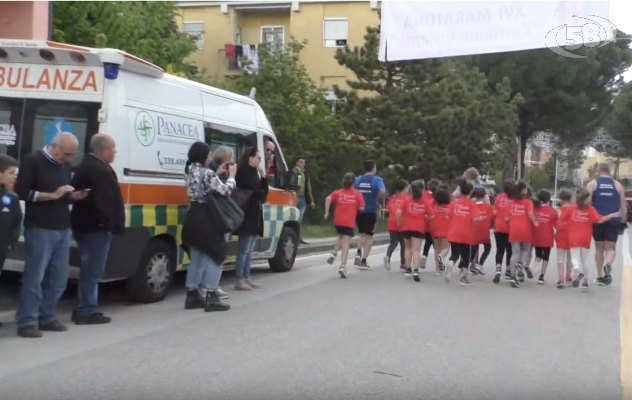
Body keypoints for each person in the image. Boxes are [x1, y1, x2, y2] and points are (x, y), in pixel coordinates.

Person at [14, 132, 89, 338]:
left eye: (73, 155)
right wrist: (52, 195)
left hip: (62, 227)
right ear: (54, 146)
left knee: (58, 277)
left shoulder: (64, 165)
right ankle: (27, 320)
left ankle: (47, 316)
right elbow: (22, 191)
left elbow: (62, 196)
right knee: (35, 276)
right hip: (40, 226)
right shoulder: (33, 160)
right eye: (67, 154)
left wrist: (73, 196)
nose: (69, 159)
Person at [69, 134, 125, 325]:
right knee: (92, 271)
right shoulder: (96, 169)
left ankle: (85, 308)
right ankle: (86, 310)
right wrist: (106, 224)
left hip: (88, 225)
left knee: (91, 269)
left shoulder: (90, 165)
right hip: (94, 228)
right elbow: (104, 202)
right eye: (113, 147)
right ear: (104, 150)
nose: (115, 151)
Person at [181, 141, 236, 312]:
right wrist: (232, 176)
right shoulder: (207, 173)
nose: (211, 157)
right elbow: (225, 191)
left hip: (193, 215)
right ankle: (212, 295)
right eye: (209, 155)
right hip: (208, 218)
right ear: (204, 156)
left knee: (196, 256)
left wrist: (216, 173)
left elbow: (203, 185)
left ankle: (192, 294)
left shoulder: (189, 171)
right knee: (215, 255)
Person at [561, 188, 620, 290]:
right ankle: (585, 283)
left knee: (575, 258)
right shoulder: (590, 209)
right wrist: (612, 215)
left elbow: (562, 218)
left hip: (574, 237)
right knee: (584, 260)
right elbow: (600, 219)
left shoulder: (571, 208)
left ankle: (578, 271)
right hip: (585, 238)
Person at [586, 163, 627, 286]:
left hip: (598, 220)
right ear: (609, 171)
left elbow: (587, 202)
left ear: (598, 171)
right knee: (611, 247)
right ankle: (608, 264)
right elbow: (623, 206)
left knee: (599, 248)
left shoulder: (592, 184)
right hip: (613, 220)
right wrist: (623, 221)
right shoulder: (617, 185)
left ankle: (599, 277)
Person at [234, 147, 269, 291]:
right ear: (250, 158)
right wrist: (259, 191)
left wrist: (264, 177)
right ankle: (239, 278)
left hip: (255, 212)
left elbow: (263, 194)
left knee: (250, 248)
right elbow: (255, 190)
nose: (260, 160)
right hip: (246, 212)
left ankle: (247, 276)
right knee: (244, 248)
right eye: (258, 157)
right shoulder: (242, 172)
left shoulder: (255, 173)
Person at [324, 173, 365, 279]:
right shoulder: (357, 194)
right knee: (346, 242)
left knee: (340, 236)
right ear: (354, 182)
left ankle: (334, 253)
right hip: (348, 220)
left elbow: (328, 199)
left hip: (338, 220)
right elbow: (361, 208)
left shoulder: (338, 192)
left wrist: (326, 212)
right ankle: (342, 266)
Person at [0, 154, 22, 328]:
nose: (14, 176)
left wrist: (10, 243)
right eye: (10, 172)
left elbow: (16, 222)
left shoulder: (11, 197)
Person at [396, 180, 434, 282]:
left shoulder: (406, 200)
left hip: (405, 226)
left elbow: (398, 212)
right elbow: (432, 215)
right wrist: (424, 217)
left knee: (407, 248)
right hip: (418, 228)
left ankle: (408, 269)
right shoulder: (425, 202)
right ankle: (416, 270)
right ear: (422, 190)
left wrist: (399, 222)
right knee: (416, 250)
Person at [446, 179, 480, 286]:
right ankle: (463, 278)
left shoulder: (454, 204)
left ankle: (450, 263)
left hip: (454, 232)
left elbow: (448, 217)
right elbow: (476, 219)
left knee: (455, 254)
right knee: (466, 256)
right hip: (466, 233)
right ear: (471, 192)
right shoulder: (471, 204)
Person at [354, 160, 386, 270]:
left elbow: (353, 192)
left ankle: (358, 252)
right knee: (369, 236)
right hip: (371, 210)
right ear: (373, 168)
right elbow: (382, 191)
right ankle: (363, 261)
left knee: (361, 234)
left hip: (359, 211)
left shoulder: (357, 179)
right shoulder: (377, 180)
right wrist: (379, 200)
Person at [506, 181, 538, 289]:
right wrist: (535, 222)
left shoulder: (511, 203)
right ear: (523, 190)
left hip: (514, 230)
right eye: (525, 188)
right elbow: (530, 214)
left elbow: (506, 218)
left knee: (515, 253)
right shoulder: (528, 202)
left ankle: (512, 275)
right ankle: (521, 264)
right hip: (525, 229)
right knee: (526, 250)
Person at [531, 189, 558, 285]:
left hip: (536, 234)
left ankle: (536, 264)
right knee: (546, 256)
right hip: (548, 236)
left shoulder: (535, 209)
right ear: (548, 199)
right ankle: (541, 275)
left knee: (538, 254)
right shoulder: (552, 211)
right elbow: (557, 225)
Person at [286, 157, 315, 244]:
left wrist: (311, 200)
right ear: (297, 163)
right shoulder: (293, 171)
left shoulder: (305, 174)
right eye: (301, 162)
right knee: (293, 218)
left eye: (304, 162)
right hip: (294, 196)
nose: (303, 164)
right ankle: (294, 237)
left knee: (300, 219)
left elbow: (308, 188)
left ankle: (299, 237)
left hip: (302, 197)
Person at [382, 179, 409, 272]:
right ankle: (403, 264)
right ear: (404, 188)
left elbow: (389, 209)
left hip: (391, 222)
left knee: (393, 242)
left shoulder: (392, 198)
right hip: (402, 223)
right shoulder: (407, 199)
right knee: (403, 244)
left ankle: (388, 256)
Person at [492, 179, 514, 284]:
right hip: (511, 228)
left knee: (500, 249)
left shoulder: (499, 198)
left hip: (499, 227)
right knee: (510, 250)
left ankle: (498, 268)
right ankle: (508, 269)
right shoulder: (514, 199)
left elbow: (494, 212)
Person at [470, 187, 493, 276]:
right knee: (487, 248)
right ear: (485, 196)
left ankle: (470, 264)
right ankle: (480, 264)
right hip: (484, 233)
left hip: (474, 232)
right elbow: (493, 215)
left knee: (474, 249)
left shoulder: (472, 206)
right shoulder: (488, 207)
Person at [555, 189, 573, 288]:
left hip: (561, 235)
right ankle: (568, 277)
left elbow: (556, 224)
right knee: (570, 258)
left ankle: (560, 279)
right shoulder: (573, 210)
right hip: (571, 235)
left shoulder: (558, 210)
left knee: (560, 259)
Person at [432, 184, 451, 276]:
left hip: (435, 228)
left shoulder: (434, 207)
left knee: (437, 248)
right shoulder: (449, 207)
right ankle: (442, 256)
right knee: (446, 247)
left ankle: (437, 268)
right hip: (446, 228)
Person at [421, 179, 439, 269]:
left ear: (428, 186)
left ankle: (424, 255)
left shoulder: (424, 196)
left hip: (425, 222)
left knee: (428, 241)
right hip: (435, 223)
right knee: (437, 245)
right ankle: (438, 263)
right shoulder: (438, 197)